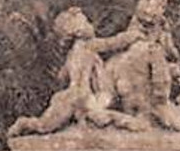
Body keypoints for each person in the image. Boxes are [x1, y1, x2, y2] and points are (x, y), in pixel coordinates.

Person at [8, 7, 145, 137]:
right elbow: (112, 43)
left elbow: (62, 77)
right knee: (48, 125)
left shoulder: (71, 54)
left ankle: (25, 124)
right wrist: (132, 35)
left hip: (75, 95)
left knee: (46, 125)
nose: (90, 25)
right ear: (78, 31)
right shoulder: (88, 45)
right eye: (86, 22)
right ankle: (23, 123)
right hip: (79, 96)